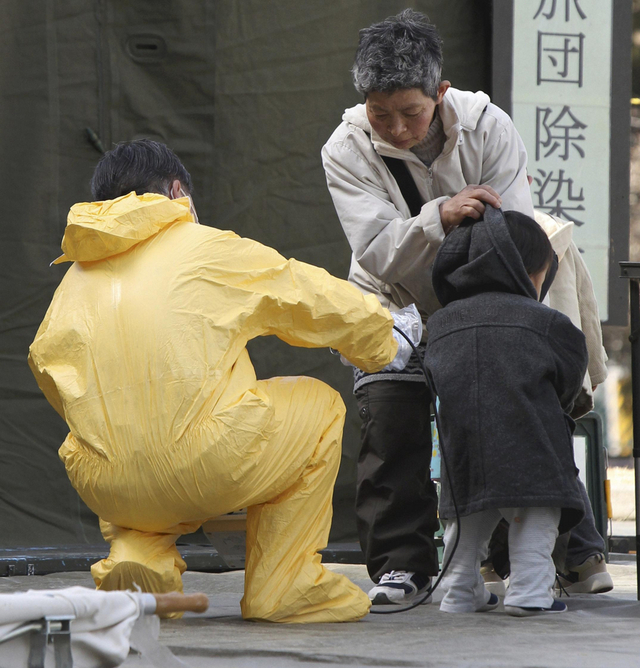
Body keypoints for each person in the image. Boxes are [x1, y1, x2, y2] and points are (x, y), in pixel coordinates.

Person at [28, 139, 420, 624]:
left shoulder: (71, 285)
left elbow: (50, 374)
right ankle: (285, 585)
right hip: (206, 459)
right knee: (317, 405)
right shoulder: (205, 247)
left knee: (122, 448)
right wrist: (385, 338)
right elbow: (305, 294)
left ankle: (138, 561)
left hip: (107, 484)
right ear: (178, 193)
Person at [321, 8, 610, 605]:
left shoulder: (489, 126)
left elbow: (516, 237)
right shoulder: (345, 148)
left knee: (517, 400)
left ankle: (559, 556)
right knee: (391, 410)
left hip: (490, 294)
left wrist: (479, 311)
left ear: (441, 93)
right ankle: (403, 565)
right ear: (363, 104)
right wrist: (443, 215)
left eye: (411, 113)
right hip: (392, 299)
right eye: (382, 115)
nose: (397, 129)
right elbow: (376, 250)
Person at [425, 206, 587, 616]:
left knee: (466, 524)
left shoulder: (441, 324)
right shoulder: (548, 323)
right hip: (532, 444)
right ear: (527, 270)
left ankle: (460, 592)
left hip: (462, 448)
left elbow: (434, 381)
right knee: (534, 513)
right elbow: (569, 381)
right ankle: (530, 593)